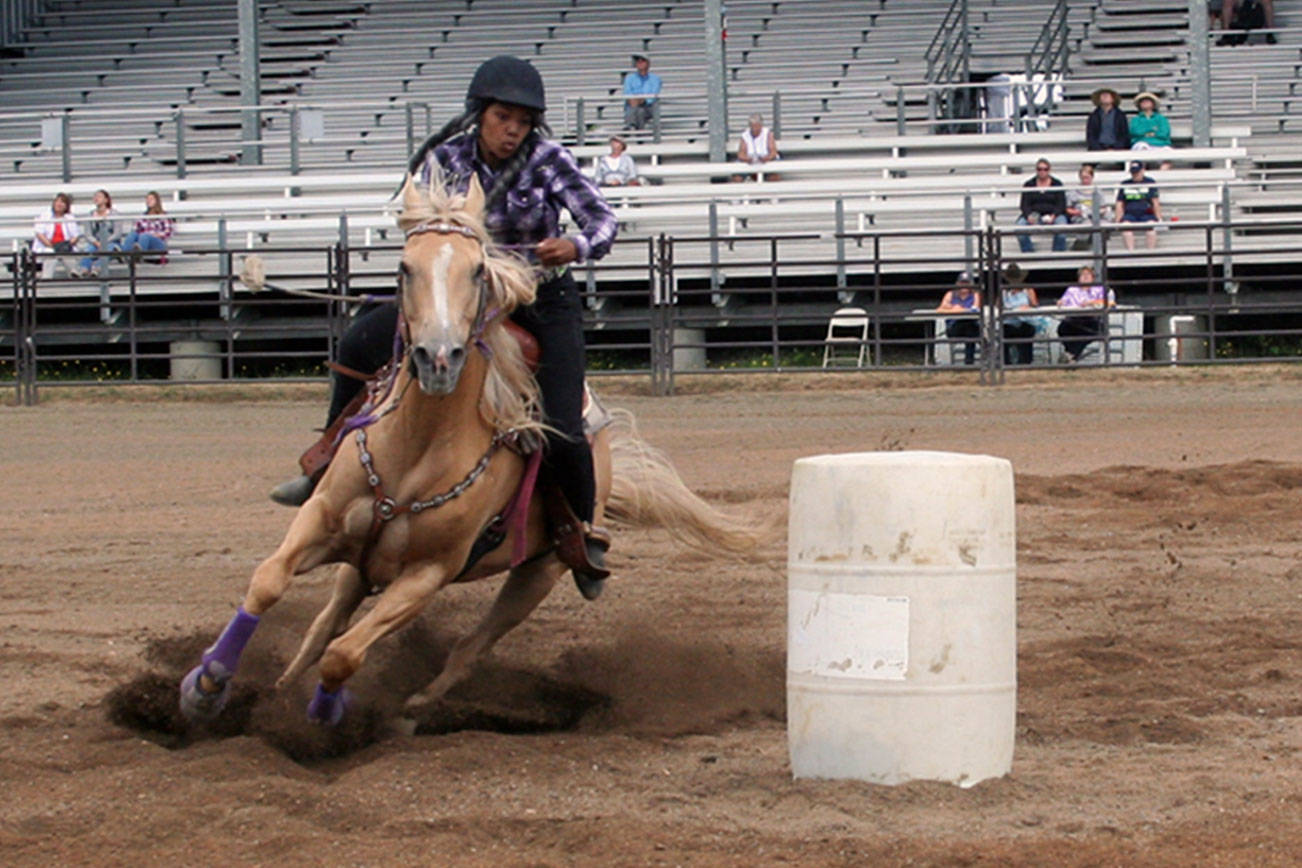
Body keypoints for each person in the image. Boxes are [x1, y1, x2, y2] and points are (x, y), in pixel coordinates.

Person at [269, 55, 619, 597]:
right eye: (504, 117)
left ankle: (580, 529)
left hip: (538, 296)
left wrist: (575, 245)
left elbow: (603, 219)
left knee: (564, 423)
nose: (513, 131)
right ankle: (323, 462)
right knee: (360, 341)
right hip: (458, 293)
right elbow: (417, 224)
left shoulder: (548, 160)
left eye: (523, 123)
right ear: (480, 114)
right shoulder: (442, 159)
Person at [1056, 265, 1114, 363]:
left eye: (1088, 274)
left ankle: (1070, 355)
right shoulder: (1072, 290)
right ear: (1078, 278)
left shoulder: (1099, 289)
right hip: (1073, 319)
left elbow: (1110, 303)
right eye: (1082, 275)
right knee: (1062, 329)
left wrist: (1091, 303)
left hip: (1092, 319)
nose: (1085, 277)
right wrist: (1061, 302)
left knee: (1088, 332)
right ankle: (1071, 356)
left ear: (1093, 278)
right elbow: (1064, 300)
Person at [1016, 158, 1068, 253]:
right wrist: (1028, 216)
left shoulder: (1057, 184)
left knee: (1062, 226)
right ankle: (1028, 254)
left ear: (1049, 170)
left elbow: (1061, 204)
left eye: (1045, 169)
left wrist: (1054, 215)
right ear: (1036, 170)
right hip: (1034, 214)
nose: (1042, 172)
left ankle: (1057, 255)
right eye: (1039, 169)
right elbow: (1024, 204)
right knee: (1020, 227)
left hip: (1053, 214)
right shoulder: (1029, 184)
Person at [74, 189, 125, 278]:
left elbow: (117, 233)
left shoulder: (114, 214)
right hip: (96, 242)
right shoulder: (90, 215)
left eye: (99, 196)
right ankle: (83, 269)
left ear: (106, 200)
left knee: (108, 249)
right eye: (95, 196)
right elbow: (88, 234)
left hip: (111, 242)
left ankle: (97, 267)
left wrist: (104, 241)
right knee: (89, 249)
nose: (96, 198)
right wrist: (96, 242)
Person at [112, 191, 174, 262]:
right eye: (147, 199)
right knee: (133, 234)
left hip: (158, 243)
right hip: (143, 240)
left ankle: (139, 255)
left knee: (145, 236)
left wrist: (155, 235)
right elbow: (135, 229)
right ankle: (126, 254)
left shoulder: (163, 215)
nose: (148, 201)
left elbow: (168, 233)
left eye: (151, 199)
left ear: (157, 201)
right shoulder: (143, 216)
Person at [1115, 159, 1163, 251]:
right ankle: (1131, 252)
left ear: (1142, 170)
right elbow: (1120, 202)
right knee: (1126, 228)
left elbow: (1155, 201)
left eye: (1137, 172)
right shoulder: (1125, 184)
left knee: (1151, 229)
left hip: (1146, 213)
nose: (1135, 175)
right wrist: (1117, 220)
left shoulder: (1150, 182)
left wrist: (1159, 218)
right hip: (1130, 214)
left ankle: (1150, 252)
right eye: (1133, 172)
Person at [936, 271, 982, 365]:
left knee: (970, 328)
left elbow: (976, 310)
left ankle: (969, 362)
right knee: (971, 329)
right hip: (954, 328)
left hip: (970, 326)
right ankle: (971, 360)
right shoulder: (950, 294)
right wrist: (957, 310)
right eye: (962, 283)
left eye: (966, 283)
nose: (964, 286)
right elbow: (940, 310)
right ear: (957, 284)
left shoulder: (975, 295)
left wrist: (957, 308)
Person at [32, 192, 81, 278]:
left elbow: (75, 236)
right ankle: (46, 277)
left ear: (66, 206)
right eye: (57, 201)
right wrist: (52, 246)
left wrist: (67, 245)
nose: (59, 204)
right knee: (50, 253)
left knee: (67, 253)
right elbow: (40, 234)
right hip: (49, 246)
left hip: (64, 246)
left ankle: (74, 275)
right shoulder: (45, 216)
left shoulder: (70, 218)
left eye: (62, 202)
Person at [1000, 263, 1040, 366]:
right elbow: (998, 306)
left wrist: (1028, 307)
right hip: (1009, 321)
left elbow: (1035, 305)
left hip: (1026, 320)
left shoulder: (1028, 290)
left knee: (1027, 330)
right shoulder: (1004, 291)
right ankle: (1006, 363)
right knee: (1004, 331)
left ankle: (1025, 362)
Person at [734, 113, 781, 181]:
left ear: (761, 126)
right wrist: (748, 159)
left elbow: (773, 152)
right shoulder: (745, 135)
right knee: (737, 177)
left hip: (766, 161)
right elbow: (741, 154)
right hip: (750, 162)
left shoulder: (767, 134)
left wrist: (766, 158)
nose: (754, 129)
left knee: (774, 175)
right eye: (752, 127)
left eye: (756, 127)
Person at [622, 53, 661, 131]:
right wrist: (635, 100)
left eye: (642, 61)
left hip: (648, 107)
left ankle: (630, 125)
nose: (640, 63)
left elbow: (652, 96)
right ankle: (639, 134)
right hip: (633, 105)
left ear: (648, 63)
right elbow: (627, 93)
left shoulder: (655, 79)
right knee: (639, 111)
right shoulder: (629, 78)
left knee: (639, 109)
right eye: (638, 61)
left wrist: (641, 100)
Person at [1085, 86, 1130, 152]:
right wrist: (1099, 149)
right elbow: (1091, 136)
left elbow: (1124, 136)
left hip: (1118, 149)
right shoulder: (1093, 116)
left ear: (1113, 99)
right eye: (1103, 95)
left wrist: (1115, 148)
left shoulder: (1120, 116)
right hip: (1097, 149)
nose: (1105, 97)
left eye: (1107, 95)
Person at [1065, 164, 1097, 250]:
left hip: (1095, 217)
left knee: (1104, 225)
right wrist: (1079, 212)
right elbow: (1067, 209)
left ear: (1092, 177)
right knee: (1088, 224)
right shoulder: (1073, 192)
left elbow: (1103, 207)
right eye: (1083, 177)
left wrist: (1096, 212)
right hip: (1079, 217)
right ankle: (1079, 246)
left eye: (1087, 177)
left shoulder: (1097, 191)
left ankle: (1097, 251)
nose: (1085, 180)